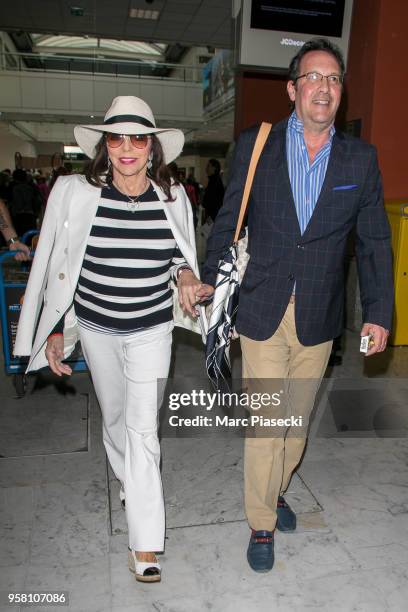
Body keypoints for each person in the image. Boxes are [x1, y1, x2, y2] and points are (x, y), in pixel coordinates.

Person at [202, 38, 394, 573]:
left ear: (340, 92)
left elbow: (376, 240)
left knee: (295, 424)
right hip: (261, 305)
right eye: (313, 77)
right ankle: (260, 520)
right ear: (292, 89)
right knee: (267, 424)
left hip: (318, 312)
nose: (324, 88)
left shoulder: (361, 157)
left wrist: (379, 311)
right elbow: (229, 217)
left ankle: (278, 488)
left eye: (333, 79)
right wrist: (209, 277)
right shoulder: (255, 144)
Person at [14, 96, 213, 583]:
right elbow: (59, 264)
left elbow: (180, 257)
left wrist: (186, 274)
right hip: (98, 329)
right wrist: (56, 330)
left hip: (151, 331)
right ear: (105, 145)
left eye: (138, 138)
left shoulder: (172, 197)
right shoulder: (74, 191)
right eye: (117, 138)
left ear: (152, 148)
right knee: (117, 416)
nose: (127, 148)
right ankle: (128, 478)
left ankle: (145, 545)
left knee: (143, 432)